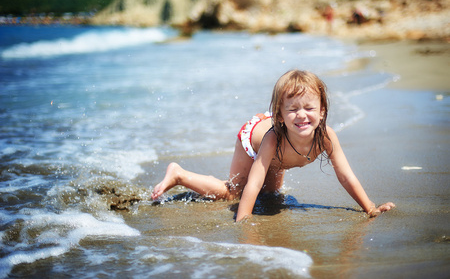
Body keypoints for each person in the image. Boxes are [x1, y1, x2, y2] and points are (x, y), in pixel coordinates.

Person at [151, 70, 395, 221]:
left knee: (271, 197)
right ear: (280, 115)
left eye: (309, 108)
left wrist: (370, 208)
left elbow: (345, 176)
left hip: (279, 152)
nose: (301, 115)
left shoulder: (326, 137)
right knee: (232, 193)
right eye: (293, 109)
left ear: (322, 112)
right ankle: (180, 174)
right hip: (253, 139)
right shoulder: (273, 139)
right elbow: (254, 182)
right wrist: (243, 221)